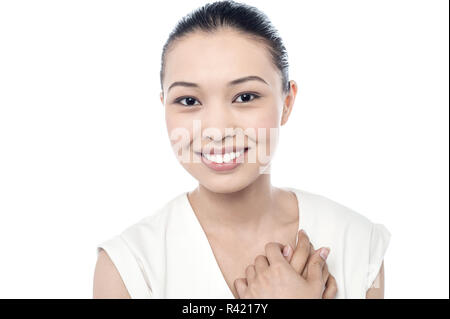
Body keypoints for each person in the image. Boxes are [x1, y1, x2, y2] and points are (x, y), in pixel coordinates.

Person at [93, 0, 391, 299]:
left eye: (245, 96)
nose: (218, 130)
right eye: (188, 101)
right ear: (164, 108)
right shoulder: (129, 266)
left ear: (286, 103)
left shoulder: (358, 245)